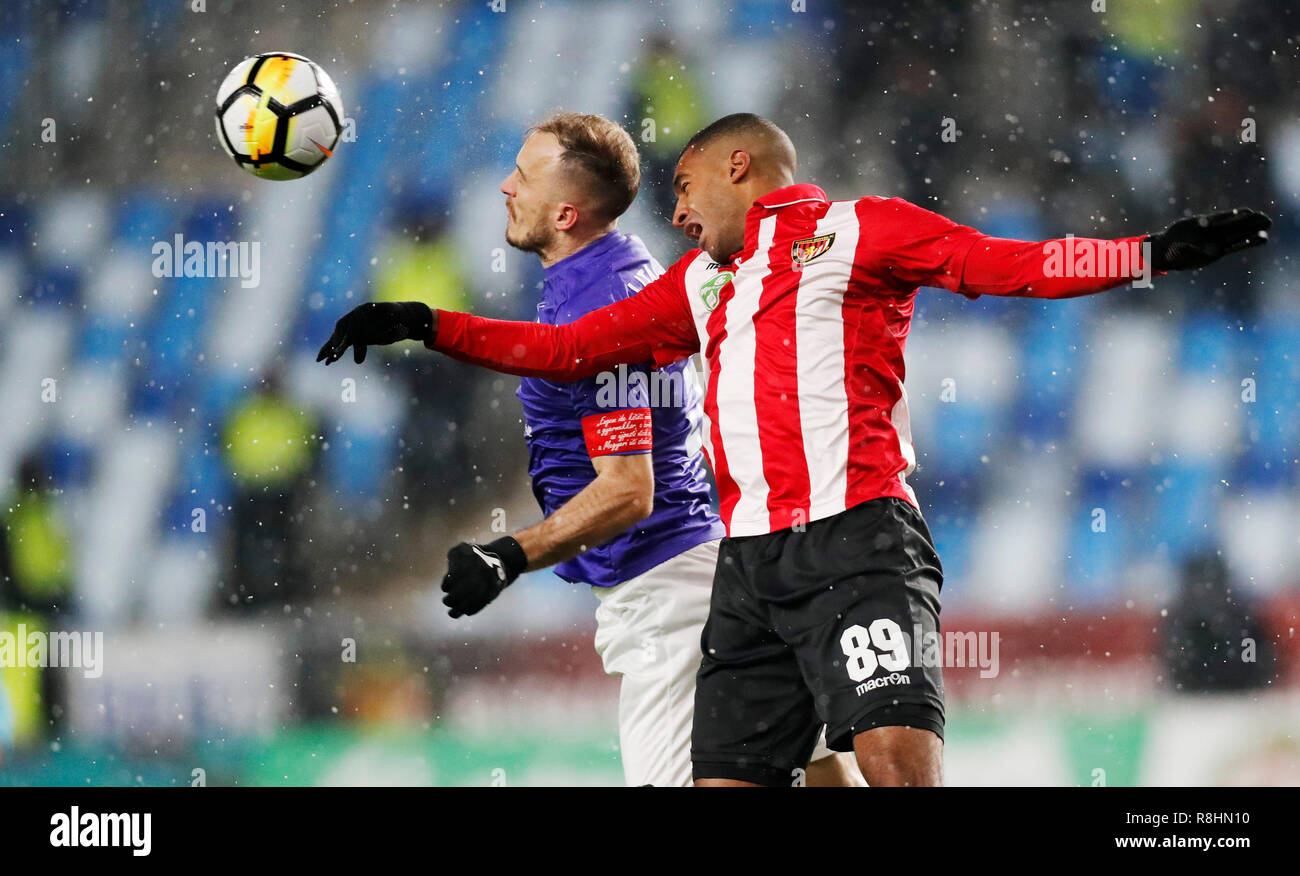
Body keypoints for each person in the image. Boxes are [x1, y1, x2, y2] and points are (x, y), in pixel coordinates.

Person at [318, 112, 1270, 787]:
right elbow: (567, 351)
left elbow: (1003, 266)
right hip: (746, 565)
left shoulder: (863, 230)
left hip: (858, 538)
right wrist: (424, 321)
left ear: (739, 168)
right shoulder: (697, 281)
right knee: (746, 779)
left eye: (685, 190)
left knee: (895, 765)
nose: (677, 215)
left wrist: (1146, 253)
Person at [321, 111, 859, 787]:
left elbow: (629, 489)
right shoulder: (629, 269)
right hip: (710, 566)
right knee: (816, 770)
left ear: (568, 211)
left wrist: (508, 555)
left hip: (671, 596)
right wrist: (422, 323)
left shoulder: (594, 300)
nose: (505, 187)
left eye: (524, 174)